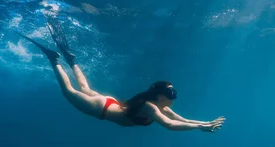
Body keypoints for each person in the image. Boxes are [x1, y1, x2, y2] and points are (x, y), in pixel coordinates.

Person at [14, 15, 225, 133]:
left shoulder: (155, 106)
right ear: (160, 95)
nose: (173, 99)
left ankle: (71, 60)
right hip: (102, 109)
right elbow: (170, 125)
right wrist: (200, 127)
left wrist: (204, 124)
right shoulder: (151, 108)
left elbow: (179, 119)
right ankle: (55, 59)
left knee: (85, 88)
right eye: (171, 94)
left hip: (108, 103)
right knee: (69, 92)